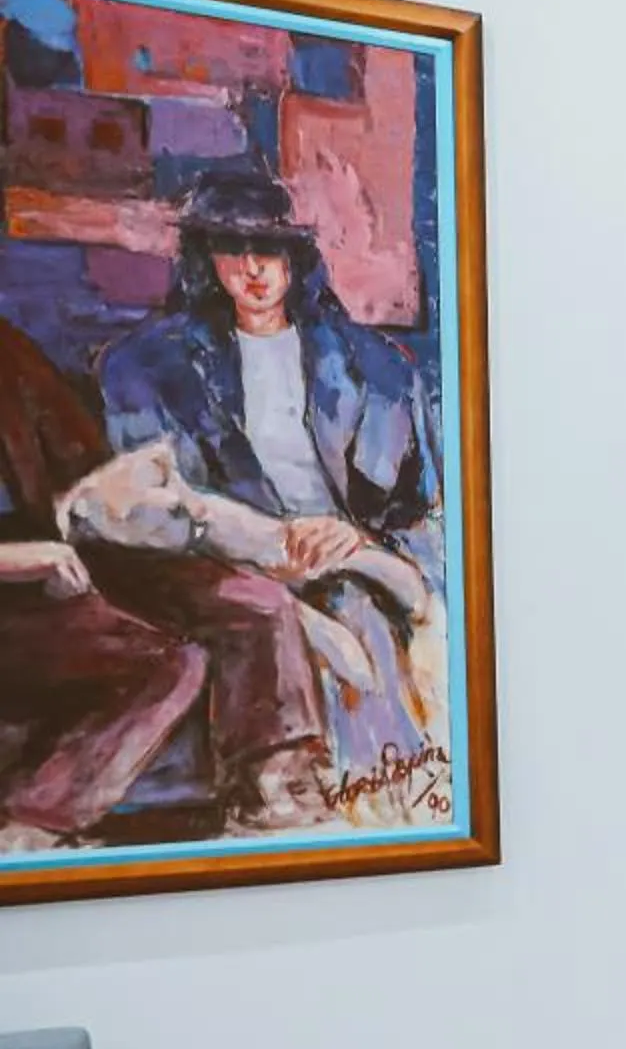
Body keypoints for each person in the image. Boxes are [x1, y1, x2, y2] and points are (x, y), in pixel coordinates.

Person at [99, 170, 447, 791]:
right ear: (207, 258)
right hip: (240, 560)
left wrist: (356, 540)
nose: (252, 268)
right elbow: (158, 505)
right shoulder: (147, 366)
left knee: (371, 617)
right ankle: (369, 801)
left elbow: (416, 502)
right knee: (337, 634)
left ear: (295, 257)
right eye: (231, 247)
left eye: (268, 247)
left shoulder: (375, 366)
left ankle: (394, 799)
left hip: (349, 553)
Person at [0, 316, 207, 853]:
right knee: (164, 664)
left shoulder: (9, 350)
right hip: (16, 589)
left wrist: (107, 491)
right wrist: (22, 558)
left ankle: (279, 791)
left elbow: (78, 463)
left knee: (186, 645)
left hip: (32, 595)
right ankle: (29, 827)